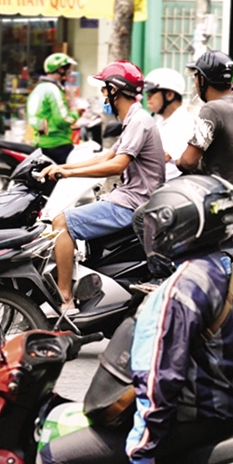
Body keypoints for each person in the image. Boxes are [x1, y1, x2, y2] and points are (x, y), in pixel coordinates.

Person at [38, 175, 233, 464]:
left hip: (189, 416)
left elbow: (160, 379)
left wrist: (142, 448)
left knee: (55, 458)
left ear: (179, 226)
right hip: (223, 410)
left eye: (157, 225)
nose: (151, 234)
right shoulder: (227, 270)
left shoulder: (177, 291)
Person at [40, 61, 165, 313]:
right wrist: (65, 169)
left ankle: (65, 300)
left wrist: (66, 172)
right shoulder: (133, 120)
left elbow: (117, 165)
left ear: (116, 90)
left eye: (105, 89)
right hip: (129, 197)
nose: (103, 95)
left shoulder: (139, 121)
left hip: (133, 202)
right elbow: (105, 157)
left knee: (61, 222)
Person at [176, 50, 233, 193]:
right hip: (232, 194)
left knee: (143, 213)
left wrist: (177, 161)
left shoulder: (212, 109)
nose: (194, 83)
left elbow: (188, 162)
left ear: (202, 79)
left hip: (207, 194)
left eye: (195, 77)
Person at [27, 53, 79, 164]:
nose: (69, 75)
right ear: (60, 69)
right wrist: (77, 113)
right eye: (68, 71)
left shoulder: (38, 89)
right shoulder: (53, 89)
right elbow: (62, 120)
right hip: (57, 144)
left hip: (40, 143)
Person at [143, 67, 194, 180]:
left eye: (152, 92)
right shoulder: (162, 120)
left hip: (167, 189)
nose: (148, 97)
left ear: (169, 95)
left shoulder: (183, 122)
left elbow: (162, 159)